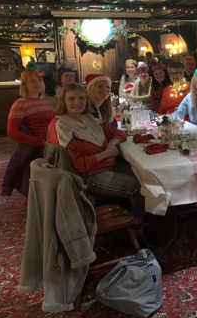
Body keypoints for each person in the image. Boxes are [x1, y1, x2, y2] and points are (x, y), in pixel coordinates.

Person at [46, 83, 144, 223]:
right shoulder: (61, 126)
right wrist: (106, 153)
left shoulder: (88, 118)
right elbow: (80, 165)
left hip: (107, 166)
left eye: (81, 98)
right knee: (139, 187)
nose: (77, 102)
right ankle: (137, 228)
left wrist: (111, 143)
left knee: (144, 175)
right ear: (63, 101)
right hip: (87, 175)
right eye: (71, 99)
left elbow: (117, 133)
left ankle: (131, 215)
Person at [8, 66, 56, 153]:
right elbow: (12, 132)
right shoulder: (20, 104)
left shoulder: (47, 103)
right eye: (32, 81)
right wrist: (40, 142)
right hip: (40, 146)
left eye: (39, 80)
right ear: (25, 85)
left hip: (53, 141)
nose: (38, 83)